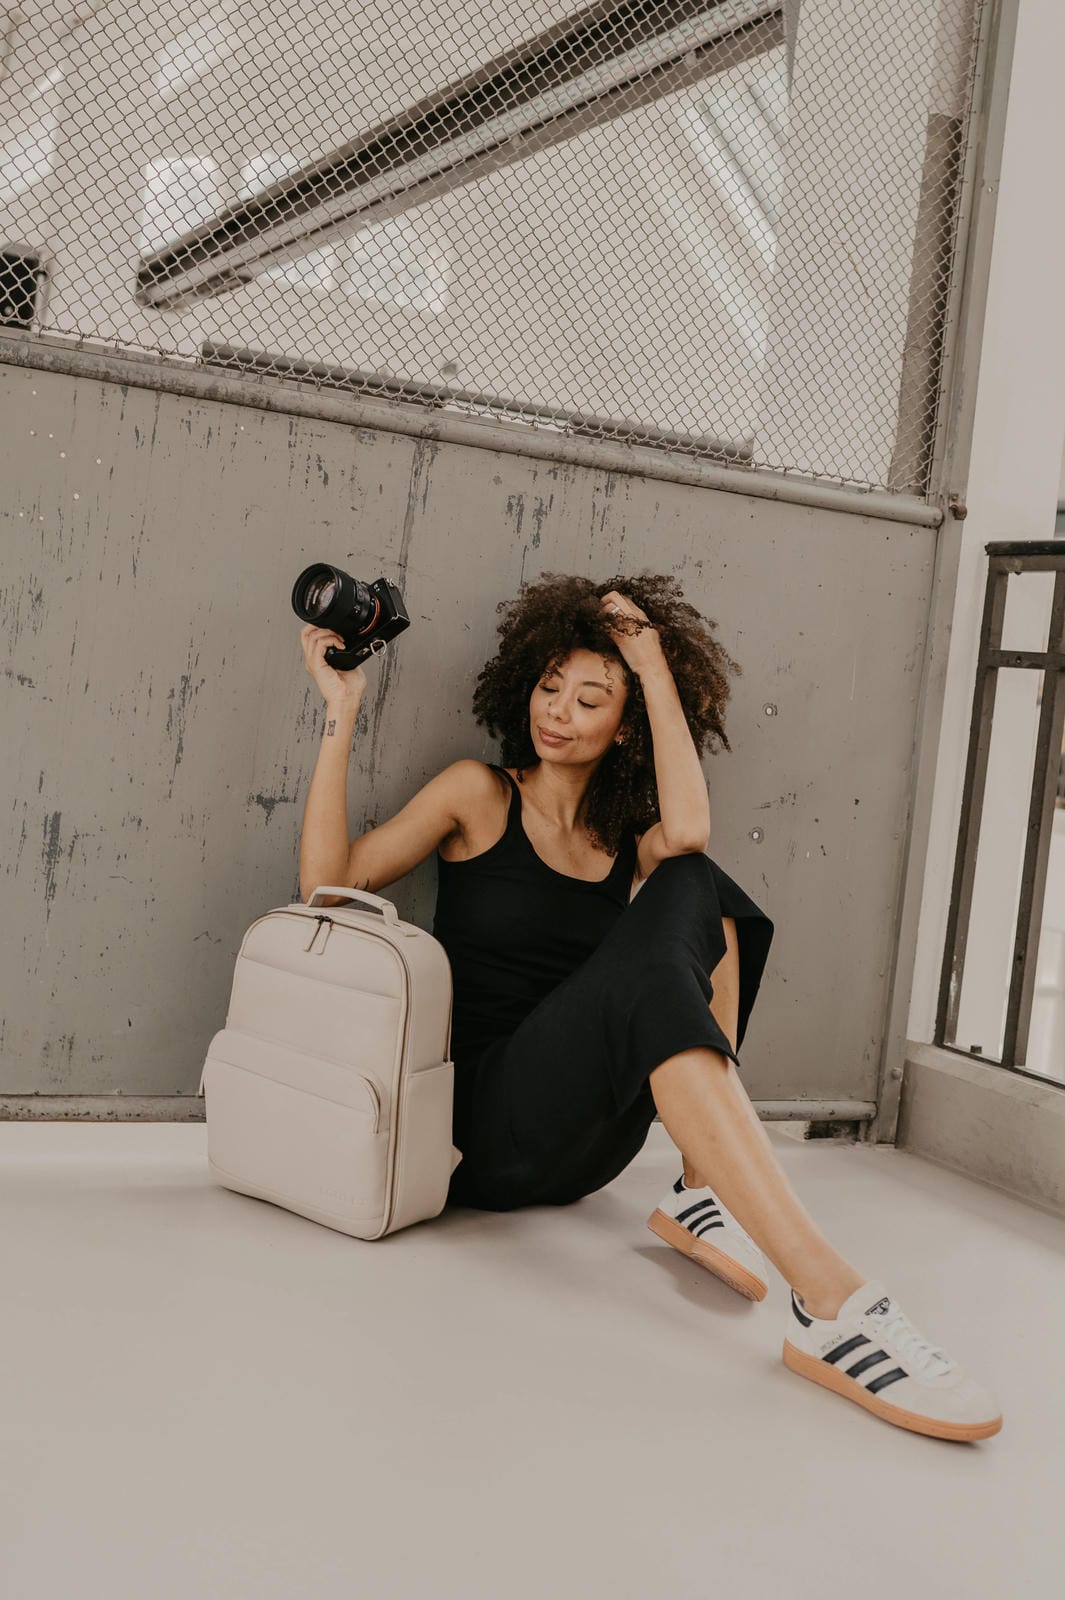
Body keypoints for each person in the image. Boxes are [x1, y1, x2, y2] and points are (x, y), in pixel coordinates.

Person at [297, 569, 1002, 1443]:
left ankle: (702, 1189)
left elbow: (692, 830)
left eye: (591, 700)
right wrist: (340, 711)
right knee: (656, 950)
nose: (557, 712)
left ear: (622, 726)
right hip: (484, 1131)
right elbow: (326, 889)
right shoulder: (476, 794)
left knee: (701, 884)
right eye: (550, 688)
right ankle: (833, 1304)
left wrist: (653, 670)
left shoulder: (623, 840)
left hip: (587, 1150)